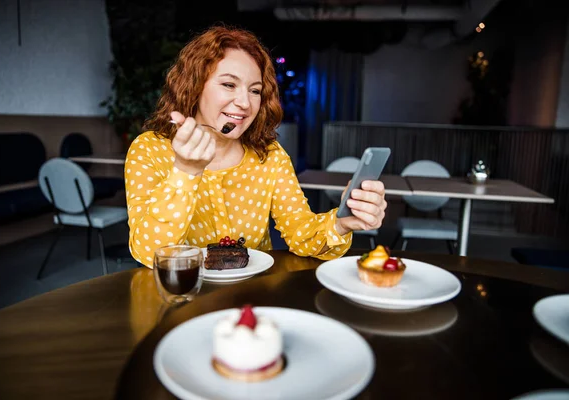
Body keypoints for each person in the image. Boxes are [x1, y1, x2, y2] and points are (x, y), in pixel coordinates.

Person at [125, 25, 387, 268]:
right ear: (194, 86)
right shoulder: (150, 150)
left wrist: (342, 223)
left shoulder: (269, 156)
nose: (245, 103)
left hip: (252, 299)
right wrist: (184, 172)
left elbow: (300, 234)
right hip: (181, 297)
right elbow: (149, 253)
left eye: (255, 90)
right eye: (229, 84)